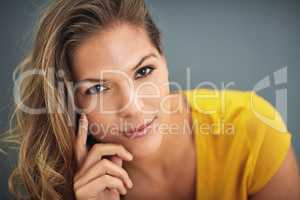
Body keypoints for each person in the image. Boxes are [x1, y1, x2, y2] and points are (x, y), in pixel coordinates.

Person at [4, 0, 300, 199]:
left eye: (144, 71)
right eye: (97, 89)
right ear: (71, 102)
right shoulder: (64, 184)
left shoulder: (252, 129)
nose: (133, 108)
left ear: (165, 60)